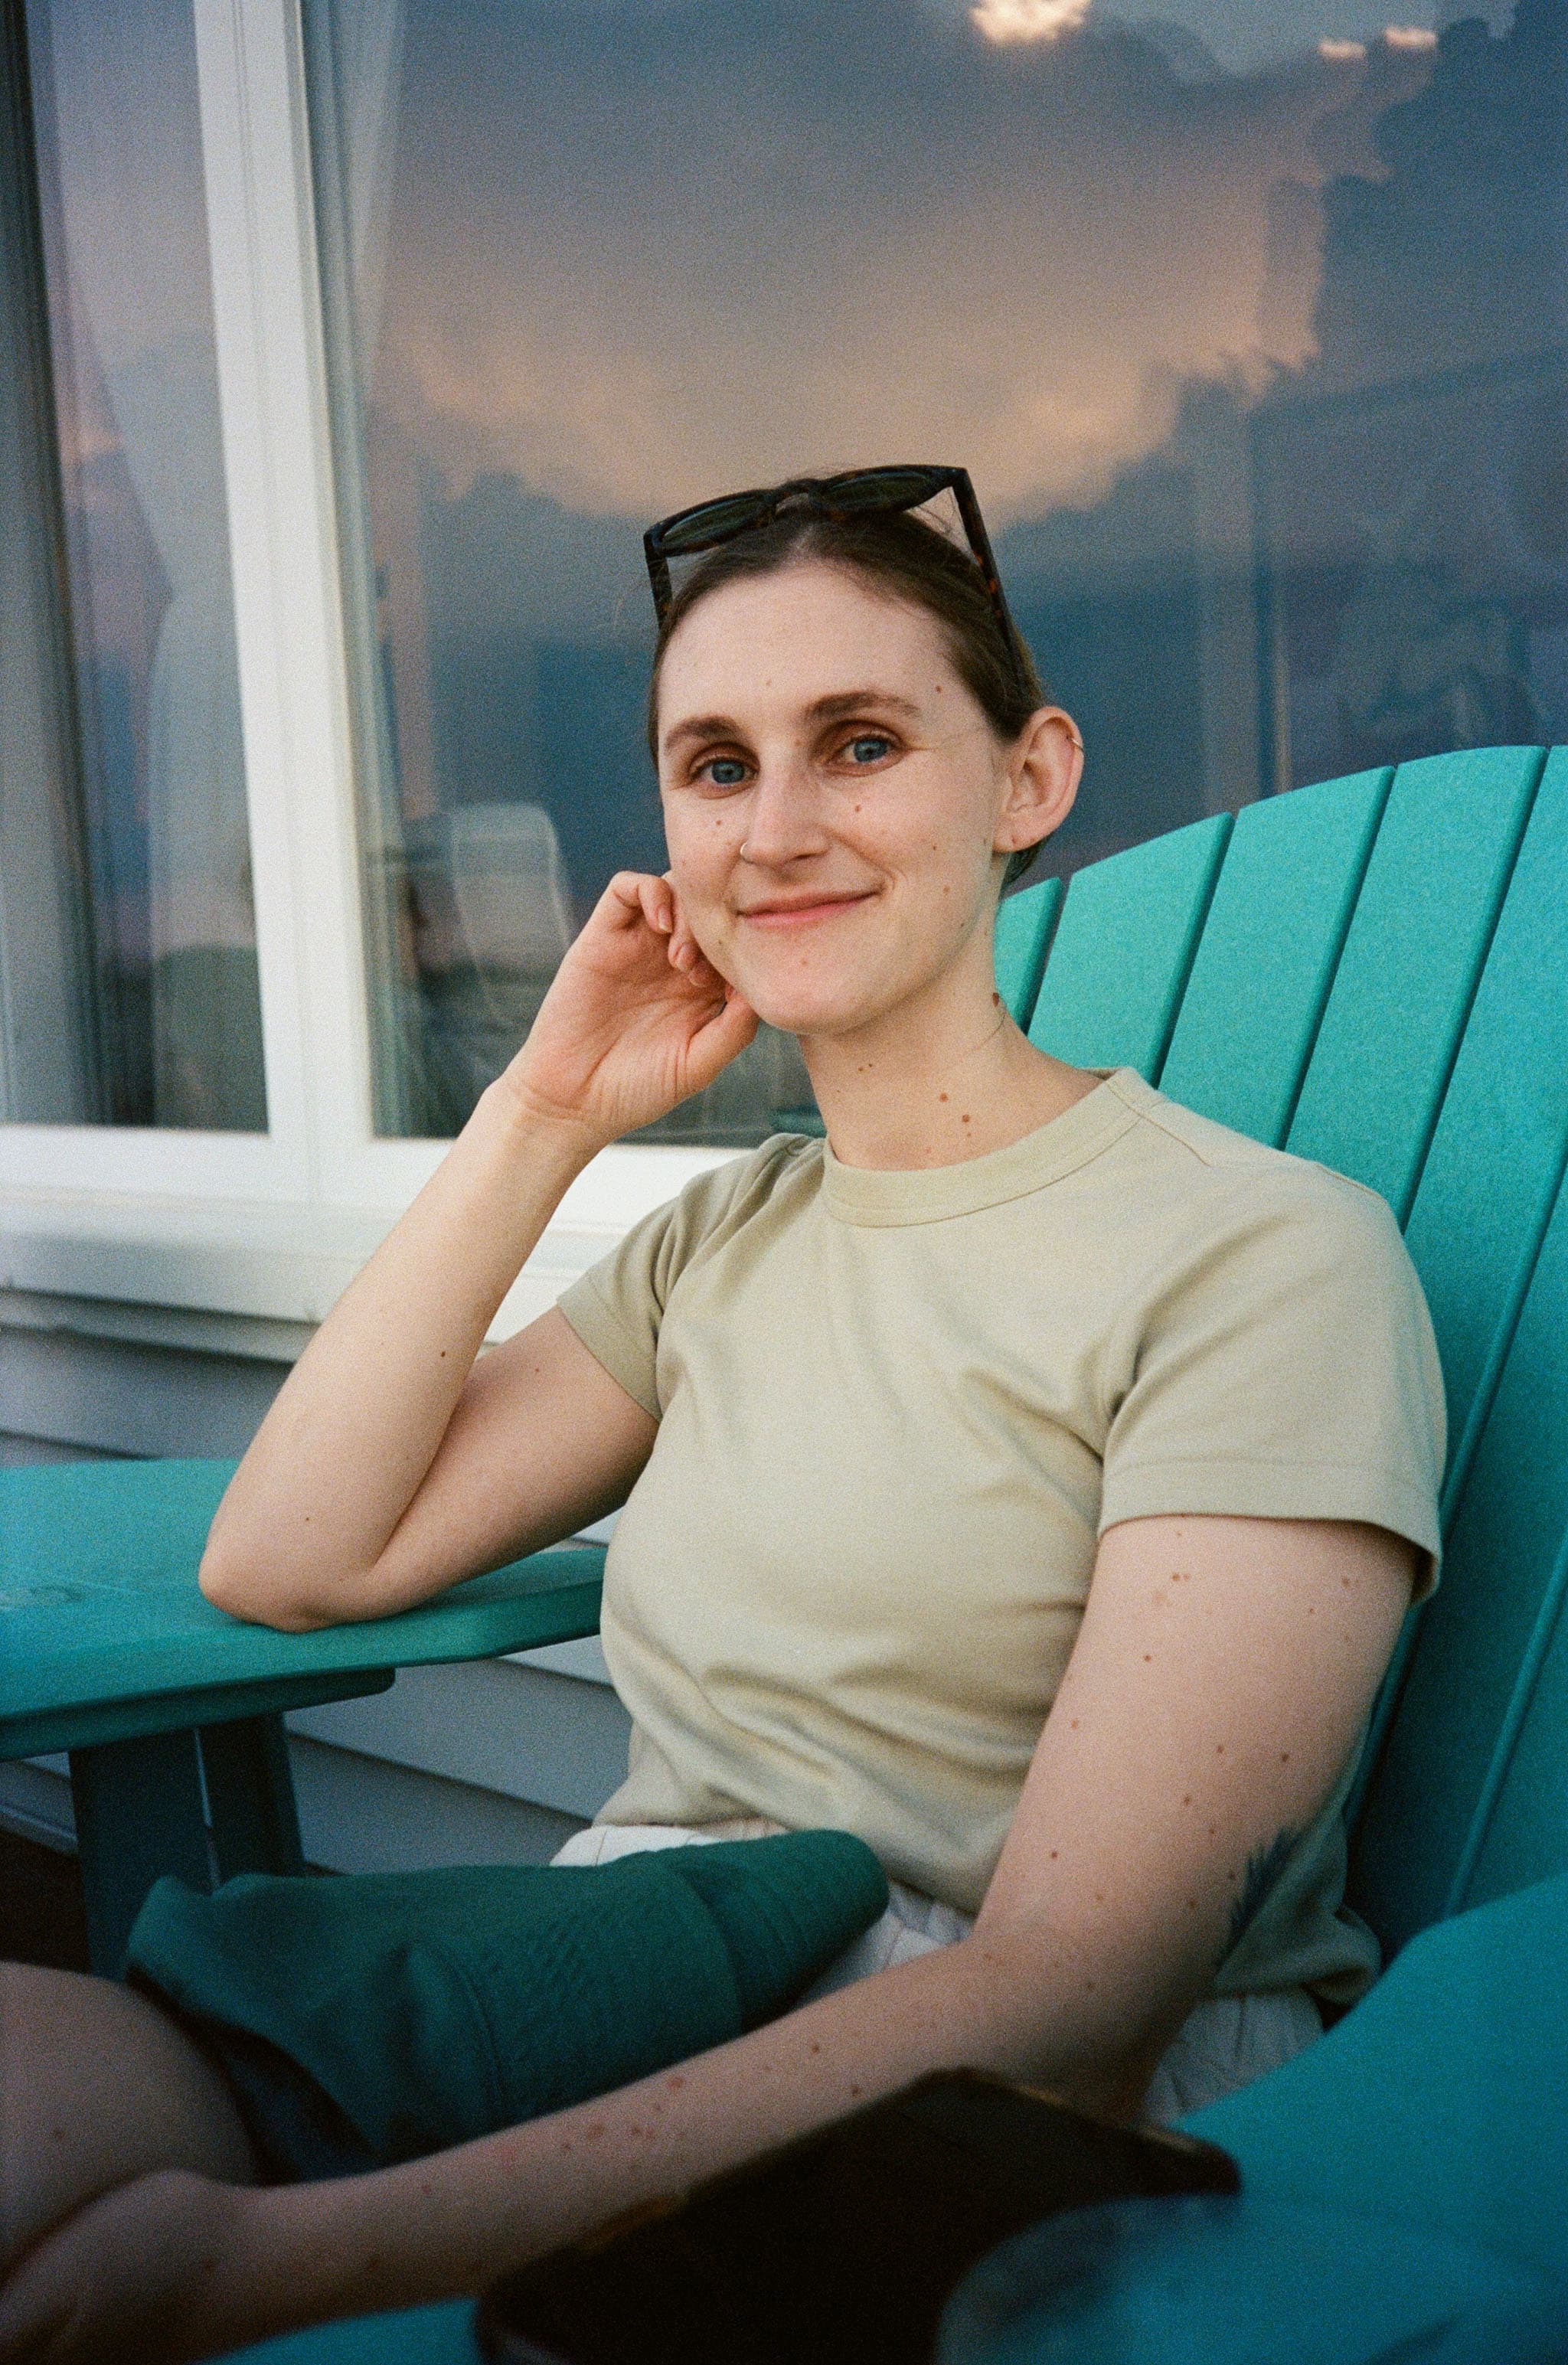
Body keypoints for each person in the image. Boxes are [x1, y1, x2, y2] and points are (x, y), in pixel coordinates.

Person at [0, 470, 1444, 2363]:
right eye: (713, 766)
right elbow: (293, 1558)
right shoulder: (728, 1239)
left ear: (1028, 778)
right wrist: (542, 1112)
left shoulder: (1260, 1264)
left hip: (994, 2106)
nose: (776, 828)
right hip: (628, 1960)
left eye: (856, 743)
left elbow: (1072, 2002)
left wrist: (291, 2260)